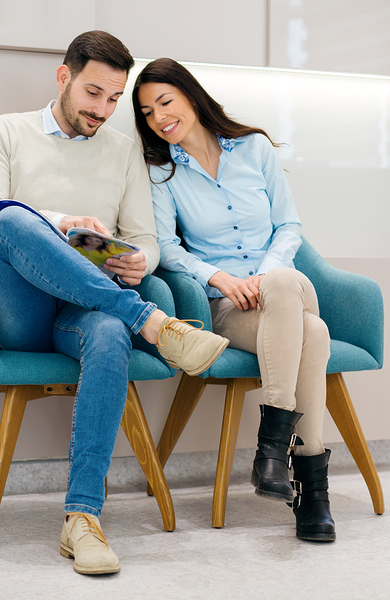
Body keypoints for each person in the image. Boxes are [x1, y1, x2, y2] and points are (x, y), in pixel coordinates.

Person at [0, 34, 229, 575]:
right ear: (63, 78)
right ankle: (154, 323)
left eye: (114, 98)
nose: (103, 111)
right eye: (93, 93)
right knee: (12, 218)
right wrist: (61, 224)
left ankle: (81, 519)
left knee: (109, 332)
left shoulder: (124, 149)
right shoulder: (7, 131)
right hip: (22, 310)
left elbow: (147, 240)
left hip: (84, 307)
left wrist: (140, 263)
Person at [133, 58, 336, 542]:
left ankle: (271, 448)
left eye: (165, 101)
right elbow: (167, 247)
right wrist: (220, 278)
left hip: (282, 287)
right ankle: (312, 489)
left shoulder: (254, 148)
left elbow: (289, 225)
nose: (159, 117)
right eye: (145, 112)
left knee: (284, 285)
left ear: (190, 94)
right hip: (227, 307)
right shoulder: (161, 171)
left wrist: (265, 277)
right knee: (316, 332)